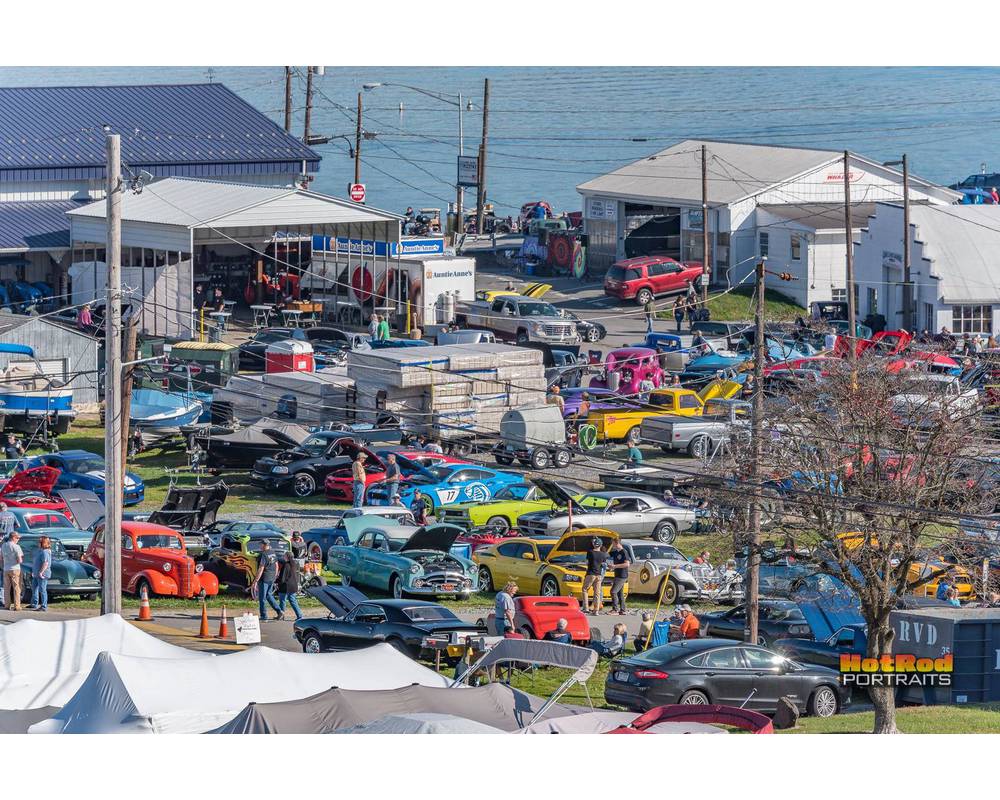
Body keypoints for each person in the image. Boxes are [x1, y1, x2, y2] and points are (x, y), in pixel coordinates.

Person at [251, 540, 282, 621]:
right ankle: (279, 611)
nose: (260, 546)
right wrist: (275, 576)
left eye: (261, 545)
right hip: (271, 578)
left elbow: (261, 568)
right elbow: (276, 565)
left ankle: (264, 616)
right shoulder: (273, 552)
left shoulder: (263, 555)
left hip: (264, 578)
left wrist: (256, 580)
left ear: (264, 545)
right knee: (269, 595)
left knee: (262, 598)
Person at [582, 537, 607, 614]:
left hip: (591, 574)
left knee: (585, 589)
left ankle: (586, 608)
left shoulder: (590, 552)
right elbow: (603, 564)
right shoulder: (603, 554)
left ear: (594, 544)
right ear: (600, 545)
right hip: (599, 575)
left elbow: (586, 562)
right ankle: (596, 610)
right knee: (597, 593)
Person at [276, 551, 303, 621]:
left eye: (284, 556)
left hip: (286, 585)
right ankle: (299, 615)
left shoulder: (286, 565)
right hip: (293, 584)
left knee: (283, 600)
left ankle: (282, 615)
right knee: (292, 600)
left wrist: (277, 582)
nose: (283, 557)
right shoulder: (295, 563)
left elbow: (282, 577)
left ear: (287, 557)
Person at [1, 532, 23, 611]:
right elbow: (20, 560)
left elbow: (1, 558)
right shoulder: (16, 546)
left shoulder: (3, 545)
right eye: (17, 538)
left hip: (6, 568)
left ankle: (7, 605)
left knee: (6, 588)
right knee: (16, 588)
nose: (18, 539)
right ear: (13, 537)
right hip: (15, 568)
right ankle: (17, 606)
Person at [30, 535, 51, 611]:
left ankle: (44, 606)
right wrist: (34, 571)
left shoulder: (45, 552)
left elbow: (45, 563)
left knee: (42, 590)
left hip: (42, 574)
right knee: (34, 588)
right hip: (36, 573)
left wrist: (41, 572)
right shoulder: (40, 551)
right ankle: (34, 604)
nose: (38, 543)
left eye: (39, 542)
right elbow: (36, 562)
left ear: (43, 543)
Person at [609, 540, 630, 614]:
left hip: (622, 575)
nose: (612, 545)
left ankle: (615, 609)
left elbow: (627, 564)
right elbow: (606, 555)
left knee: (613, 591)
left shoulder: (624, 551)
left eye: (613, 544)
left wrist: (615, 566)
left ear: (617, 543)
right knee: (620, 593)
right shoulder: (615, 552)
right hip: (617, 574)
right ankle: (623, 610)